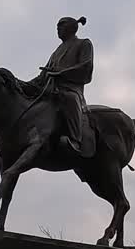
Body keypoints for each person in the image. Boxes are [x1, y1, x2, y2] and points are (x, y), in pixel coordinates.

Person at [31, 15, 94, 157]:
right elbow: (42, 77)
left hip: (71, 89)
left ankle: (75, 139)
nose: (58, 28)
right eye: (57, 26)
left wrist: (60, 72)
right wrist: (21, 84)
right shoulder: (56, 52)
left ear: (72, 27)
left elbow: (86, 66)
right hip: (50, 90)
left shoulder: (84, 44)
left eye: (61, 25)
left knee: (69, 98)